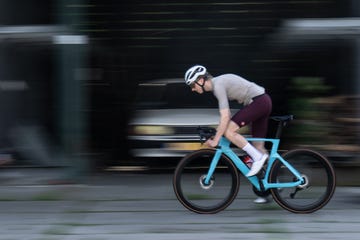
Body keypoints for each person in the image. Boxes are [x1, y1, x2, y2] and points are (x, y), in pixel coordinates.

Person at [184, 65, 272, 203]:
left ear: (200, 80)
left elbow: (225, 116)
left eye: (192, 85)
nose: (193, 89)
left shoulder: (218, 85)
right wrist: (217, 135)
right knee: (258, 147)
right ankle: (271, 186)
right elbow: (224, 118)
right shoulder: (218, 84)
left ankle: (258, 158)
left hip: (258, 102)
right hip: (261, 101)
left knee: (229, 131)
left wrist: (216, 140)